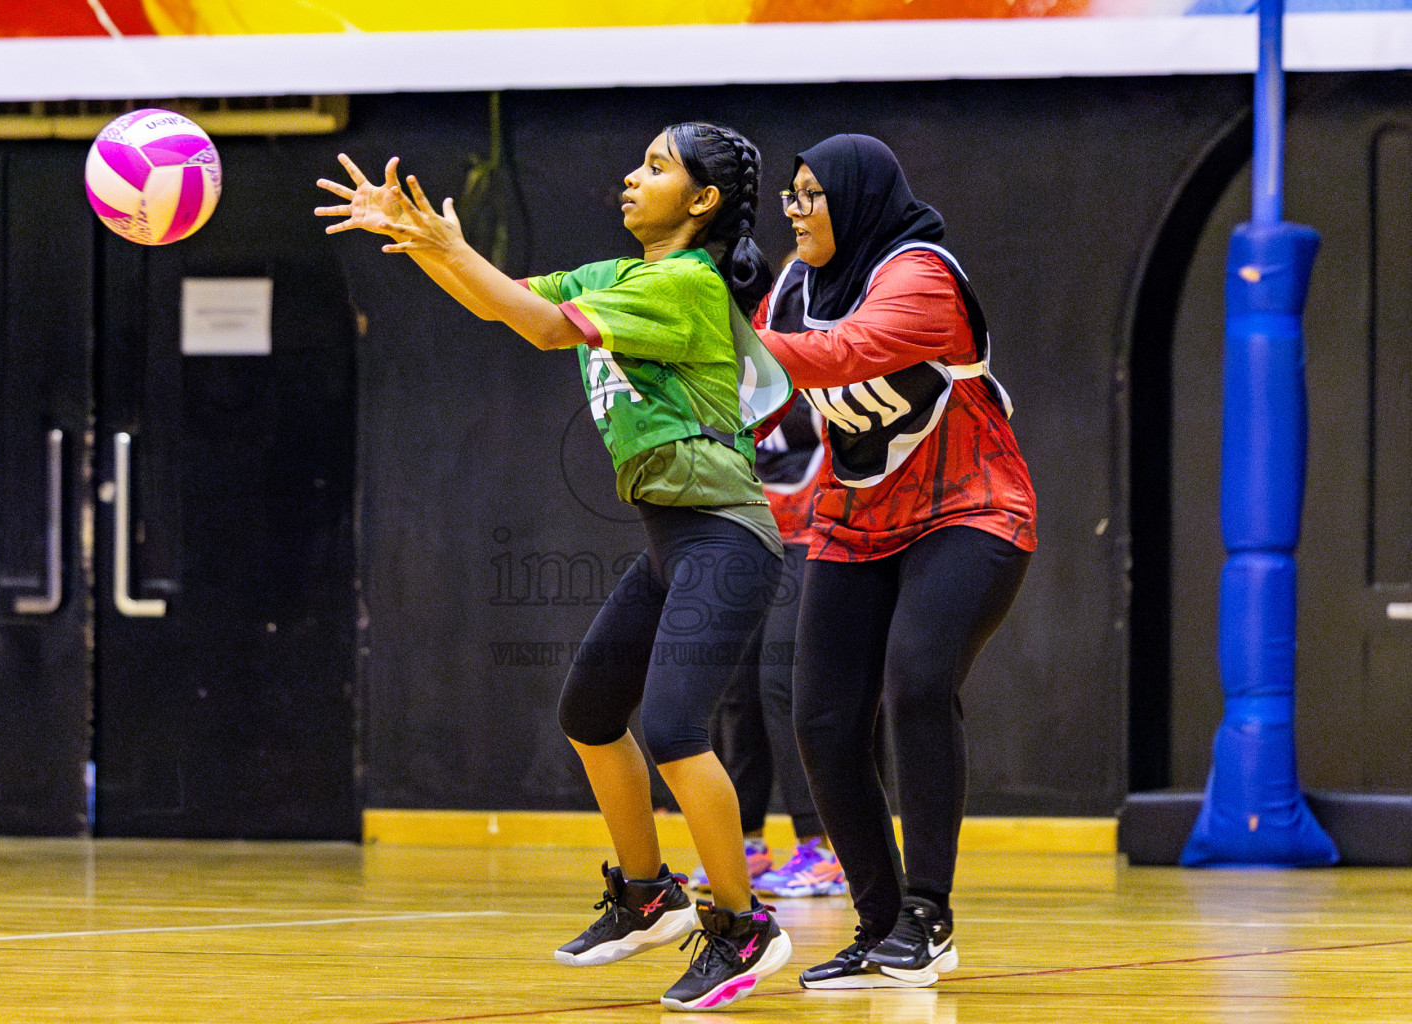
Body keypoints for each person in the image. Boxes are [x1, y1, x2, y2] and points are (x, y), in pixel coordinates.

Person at [316, 122, 794, 1011]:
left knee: (679, 727)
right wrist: (423, 242)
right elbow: (503, 304)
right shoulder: (618, 277)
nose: (629, 175)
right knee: (589, 712)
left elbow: (540, 330)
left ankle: (742, 927)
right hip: (671, 538)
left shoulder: (686, 284)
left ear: (701, 201)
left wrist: (449, 243)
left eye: (655, 166)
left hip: (724, 534)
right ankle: (648, 895)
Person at [752, 134, 1037, 989]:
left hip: (973, 508)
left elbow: (843, 354)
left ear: (858, 197)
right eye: (788, 194)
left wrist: (716, 343)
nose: (793, 210)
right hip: (858, 517)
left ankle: (929, 915)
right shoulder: (794, 289)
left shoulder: (921, 273)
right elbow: (754, 399)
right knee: (824, 720)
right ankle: (879, 928)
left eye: (811, 194)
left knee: (917, 679)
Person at [690, 392, 848, 900]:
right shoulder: (721, 357)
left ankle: (822, 850)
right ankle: (746, 841)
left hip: (812, 533)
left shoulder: (814, 344)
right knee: (736, 692)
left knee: (783, 685)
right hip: (747, 533)